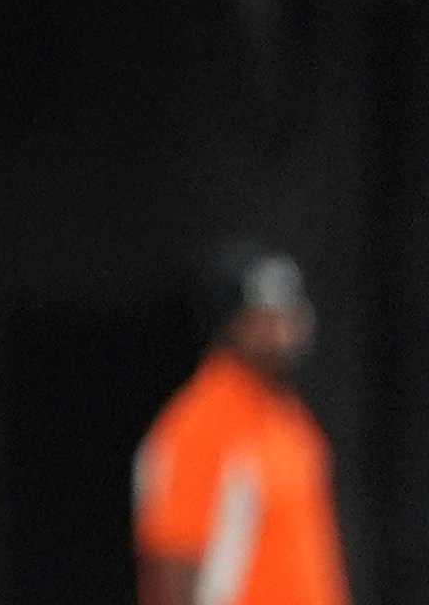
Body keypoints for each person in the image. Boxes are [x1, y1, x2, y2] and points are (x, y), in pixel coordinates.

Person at [135, 246, 349, 605]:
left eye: (289, 313)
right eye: (265, 318)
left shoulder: (288, 415)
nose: (284, 330)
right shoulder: (200, 422)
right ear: (231, 323)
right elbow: (172, 563)